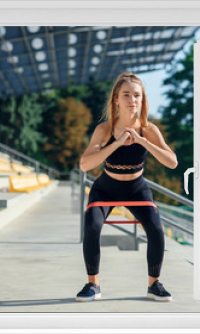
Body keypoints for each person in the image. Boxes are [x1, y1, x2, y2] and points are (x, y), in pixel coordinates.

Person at [76, 72, 178, 302]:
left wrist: (142, 141)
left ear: (142, 100)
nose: (133, 99)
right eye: (127, 94)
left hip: (136, 188)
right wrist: (118, 143)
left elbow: (172, 162)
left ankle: (154, 285)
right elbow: (85, 165)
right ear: (116, 99)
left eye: (137, 95)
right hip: (106, 188)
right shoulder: (104, 130)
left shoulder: (149, 130)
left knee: (156, 229)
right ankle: (93, 285)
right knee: (92, 226)